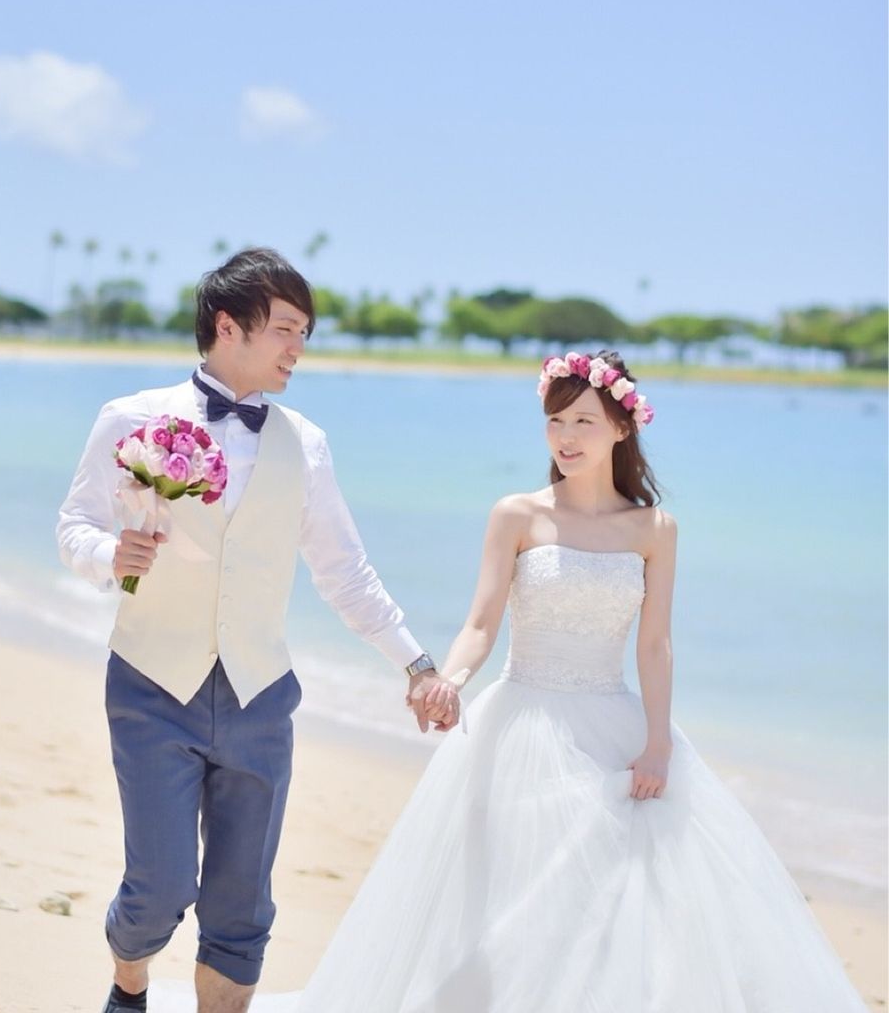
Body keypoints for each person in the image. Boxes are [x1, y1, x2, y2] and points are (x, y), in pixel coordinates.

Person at [292, 350, 867, 1012]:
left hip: (612, 728)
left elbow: (655, 645)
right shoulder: (517, 514)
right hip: (519, 725)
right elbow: (481, 623)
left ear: (622, 427)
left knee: (611, 906)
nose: (565, 436)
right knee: (512, 896)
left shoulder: (655, 529)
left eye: (583, 421)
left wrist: (658, 743)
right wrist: (449, 680)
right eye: (555, 420)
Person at [56, 247, 455, 1013]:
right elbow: (75, 525)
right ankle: (129, 980)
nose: (298, 348)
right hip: (151, 686)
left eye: (305, 332)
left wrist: (416, 665)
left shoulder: (306, 445)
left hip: (260, 696)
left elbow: (344, 572)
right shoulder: (132, 419)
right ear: (227, 326)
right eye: (285, 329)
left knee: (242, 908)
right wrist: (111, 555)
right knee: (158, 889)